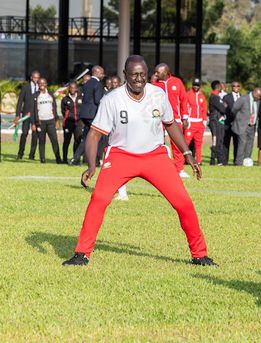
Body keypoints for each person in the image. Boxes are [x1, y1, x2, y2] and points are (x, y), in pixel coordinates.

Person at [62, 55, 216, 267]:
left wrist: (187, 153)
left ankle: (200, 254)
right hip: (121, 156)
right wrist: (91, 165)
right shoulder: (112, 99)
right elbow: (95, 134)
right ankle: (82, 254)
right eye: (134, 74)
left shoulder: (158, 94)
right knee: (98, 199)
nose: (139, 78)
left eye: (143, 74)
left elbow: (170, 124)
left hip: (155, 156)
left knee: (184, 203)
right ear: (125, 75)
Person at [152, 63, 190, 178]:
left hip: (175, 118)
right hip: (158, 119)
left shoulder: (177, 82)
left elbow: (184, 100)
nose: (155, 74)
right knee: (157, 144)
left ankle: (179, 169)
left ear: (165, 72)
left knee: (177, 144)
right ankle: (158, 169)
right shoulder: (154, 85)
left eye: (158, 72)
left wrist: (185, 117)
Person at [71, 65, 106, 166]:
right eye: (102, 73)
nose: (103, 75)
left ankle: (75, 158)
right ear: (97, 73)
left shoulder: (87, 83)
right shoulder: (98, 84)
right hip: (93, 114)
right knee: (100, 137)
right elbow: (98, 100)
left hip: (85, 114)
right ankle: (96, 160)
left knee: (87, 137)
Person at [31, 78, 61, 164]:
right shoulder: (35, 96)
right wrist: (33, 123)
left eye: (43, 83)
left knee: (54, 140)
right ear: (38, 85)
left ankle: (58, 159)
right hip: (40, 122)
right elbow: (32, 111)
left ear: (46, 84)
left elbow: (55, 108)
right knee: (42, 141)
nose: (42, 85)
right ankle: (42, 159)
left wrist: (57, 120)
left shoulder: (50, 94)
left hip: (51, 121)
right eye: (40, 83)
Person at [232, 87, 261, 166]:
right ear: (254, 92)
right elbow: (234, 109)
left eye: (260, 96)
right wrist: (239, 119)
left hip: (252, 126)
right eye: (258, 96)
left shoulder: (257, 101)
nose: (258, 98)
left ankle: (247, 161)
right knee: (242, 143)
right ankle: (238, 162)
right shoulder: (243, 99)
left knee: (250, 144)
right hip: (242, 125)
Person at [15, 70, 40, 160]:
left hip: (36, 115)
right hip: (26, 115)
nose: (36, 79)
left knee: (35, 135)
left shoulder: (41, 87)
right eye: (35, 77)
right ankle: (20, 154)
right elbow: (20, 102)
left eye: (38, 77)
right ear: (31, 77)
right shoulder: (25, 87)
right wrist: (17, 115)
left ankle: (31, 155)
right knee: (24, 133)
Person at [184, 78, 207, 165]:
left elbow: (204, 109)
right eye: (194, 85)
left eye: (198, 85)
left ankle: (199, 160)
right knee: (186, 142)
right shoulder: (188, 95)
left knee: (199, 143)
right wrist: (186, 120)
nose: (196, 87)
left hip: (199, 123)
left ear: (200, 86)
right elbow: (185, 107)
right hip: (191, 122)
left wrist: (204, 120)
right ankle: (183, 160)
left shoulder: (202, 96)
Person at [60, 82, 83, 163]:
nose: (72, 89)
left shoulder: (81, 97)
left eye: (74, 88)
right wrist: (69, 116)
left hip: (79, 123)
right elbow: (63, 111)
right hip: (68, 123)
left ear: (76, 88)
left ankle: (76, 159)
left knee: (78, 141)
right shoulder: (65, 99)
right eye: (71, 88)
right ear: (69, 89)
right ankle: (64, 159)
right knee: (67, 141)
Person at [208, 80, 227, 165]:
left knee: (219, 140)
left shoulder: (216, 96)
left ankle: (218, 160)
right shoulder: (215, 97)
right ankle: (216, 160)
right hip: (215, 121)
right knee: (216, 140)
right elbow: (223, 108)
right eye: (220, 85)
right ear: (217, 86)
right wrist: (224, 105)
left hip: (219, 121)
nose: (222, 87)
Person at [223, 81, 241, 164]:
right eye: (234, 86)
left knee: (237, 143)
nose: (235, 87)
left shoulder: (242, 97)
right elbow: (224, 109)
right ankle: (224, 161)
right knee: (226, 143)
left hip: (238, 125)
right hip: (228, 124)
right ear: (231, 87)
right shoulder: (226, 97)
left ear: (239, 87)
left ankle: (236, 161)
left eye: (237, 86)